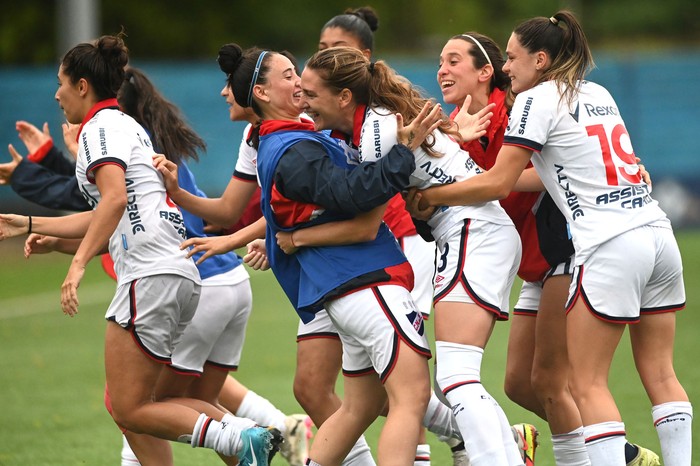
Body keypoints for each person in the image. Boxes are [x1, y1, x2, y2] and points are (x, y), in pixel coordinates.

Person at [413, 11, 692, 466]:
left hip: (601, 244)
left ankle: (611, 456)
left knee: (585, 385)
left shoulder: (530, 101)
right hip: (656, 232)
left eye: (512, 57)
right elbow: (546, 172)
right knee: (648, 375)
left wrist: (429, 195)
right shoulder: (596, 91)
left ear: (540, 60)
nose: (507, 67)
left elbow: (501, 182)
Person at [5, 66, 311, 466]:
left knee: (133, 405)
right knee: (189, 400)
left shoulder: (119, 143)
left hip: (191, 276)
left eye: (62, 85)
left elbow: (102, 202)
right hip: (222, 278)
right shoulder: (143, 142)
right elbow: (103, 205)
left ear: (87, 91)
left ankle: (261, 433)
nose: (58, 96)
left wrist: (38, 175)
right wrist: (52, 199)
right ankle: (273, 431)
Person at [156, 43, 437, 466]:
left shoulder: (291, 139)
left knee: (358, 407)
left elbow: (301, 213)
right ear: (264, 94)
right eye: (288, 74)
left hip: (345, 288)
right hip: (364, 280)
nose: (300, 81)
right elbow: (349, 193)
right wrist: (403, 151)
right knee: (410, 398)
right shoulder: (291, 148)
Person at [299, 45, 526, 466]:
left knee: (455, 378)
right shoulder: (373, 124)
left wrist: (298, 238)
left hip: (473, 230)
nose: (303, 103)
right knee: (445, 379)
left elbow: (366, 218)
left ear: (344, 96)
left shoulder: (376, 130)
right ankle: (509, 449)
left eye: (311, 94)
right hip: (467, 232)